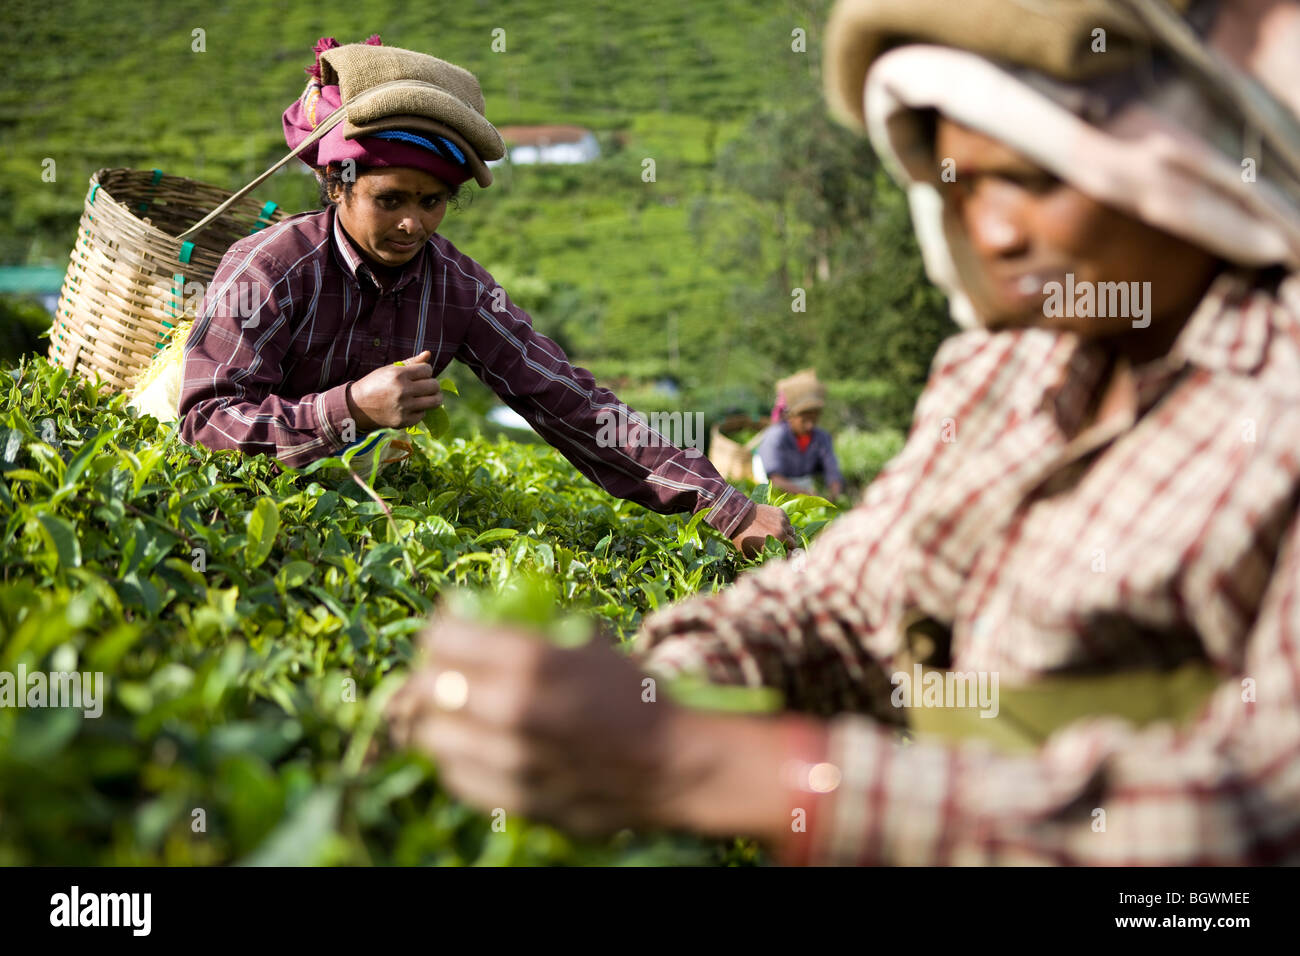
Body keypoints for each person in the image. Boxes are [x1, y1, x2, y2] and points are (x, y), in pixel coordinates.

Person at [387, 0, 1300, 864]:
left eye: (1031, 180)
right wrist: (657, 684)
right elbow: (844, 601)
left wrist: (725, 768)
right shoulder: (1000, 374)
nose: (993, 231)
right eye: (964, 184)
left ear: (1183, 162)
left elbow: (1253, 819)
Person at [177, 36, 793, 558]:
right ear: (338, 185)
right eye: (389, 200)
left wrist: (725, 507)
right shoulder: (273, 268)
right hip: (241, 525)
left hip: (370, 525)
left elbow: (572, 405)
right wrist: (350, 409)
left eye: (433, 201)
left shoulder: (458, 289)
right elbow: (203, 423)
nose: (413, 225)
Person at [756, 369, 844, 499]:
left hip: (804, 491)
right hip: (776, 495)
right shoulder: (776, 436)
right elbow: (774, 479)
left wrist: (835, 492)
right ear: (790, 417)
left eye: (814, 420)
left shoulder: (821, 438)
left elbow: (832, 470)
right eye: (804, 420)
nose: (810, 425)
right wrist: (807, 496)